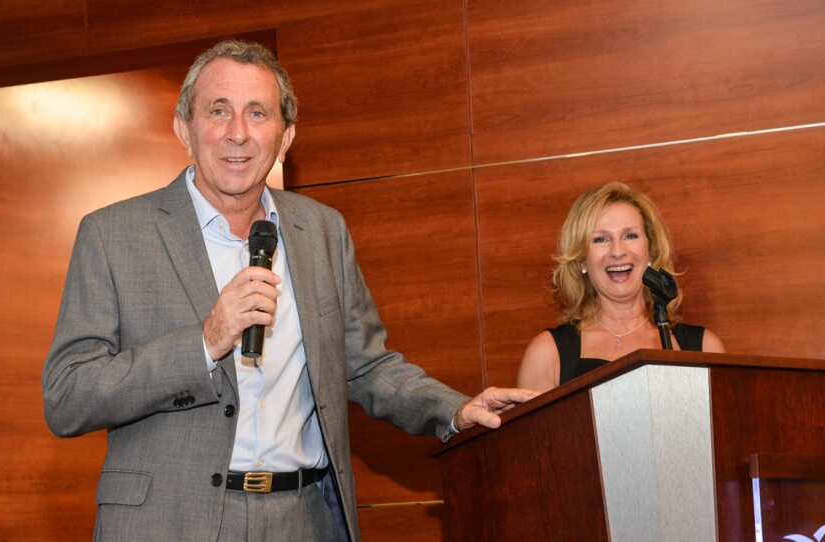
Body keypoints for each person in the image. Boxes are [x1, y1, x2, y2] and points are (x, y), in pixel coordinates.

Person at [42, 39, 535, 542]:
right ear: (184, 129)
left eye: (257, 114)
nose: (237, 134)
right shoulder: (113, 234)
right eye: (218, 111)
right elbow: (67, 395)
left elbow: (366, 365)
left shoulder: (321, 230)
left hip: (303, 519)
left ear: (286, 136)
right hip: (170, 522)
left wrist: (451, 409)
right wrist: (205, 342)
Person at [517, 182, 725, 392]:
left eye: (630, 236)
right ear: (581, 260)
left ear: (650, 250)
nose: (617, 251)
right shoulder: (547, 353)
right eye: (600, 239)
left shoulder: (706, 347)